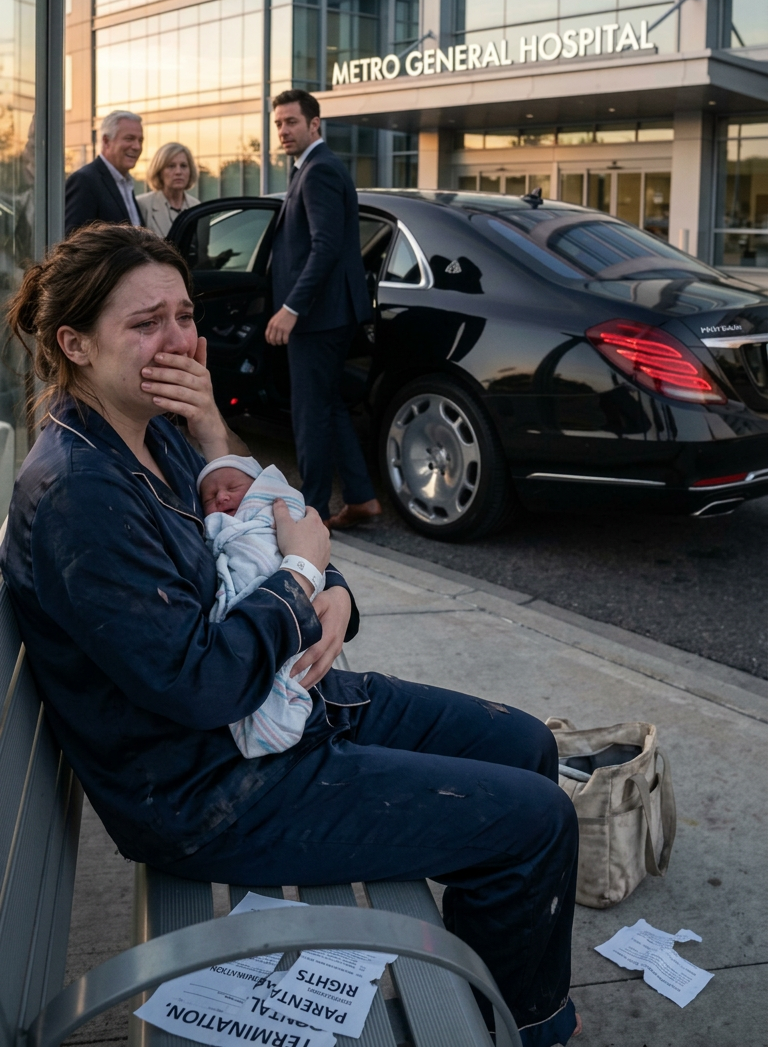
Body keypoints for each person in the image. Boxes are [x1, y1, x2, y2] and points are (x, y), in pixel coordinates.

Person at [1, 223, 581, 1047]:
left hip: (281, 710)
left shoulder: (151, 426)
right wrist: (309, 579)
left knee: (525, 745)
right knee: (536, 822)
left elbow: (261, 527)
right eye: (144, 324)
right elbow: (203, 681)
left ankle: (491, 992)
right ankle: (529, 1026)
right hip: (212, 787)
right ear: (76, 343)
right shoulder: (80, 494)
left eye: (185, 314)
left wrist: (328, 589)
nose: (179, 340)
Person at [266, 89, 382, 531]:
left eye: (291, 122)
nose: (283, 131)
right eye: (278, 124)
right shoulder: (312, 169)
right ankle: (361, 499)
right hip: (329, 313)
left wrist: (292, 307)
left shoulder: (319, 170)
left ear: (315, 124)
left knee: (310, 415)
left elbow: (326, 246)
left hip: (318, 317)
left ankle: (309, 514)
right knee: (328, 408)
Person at [198, 452, 346, 759]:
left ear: (259, 491)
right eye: (210, 498)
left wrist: (337, 590)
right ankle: (273, 710)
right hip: (253, 638)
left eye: (233, 487)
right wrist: (303, 569)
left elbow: (308, 547)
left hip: (294, 621)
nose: (222, 497)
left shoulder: (274, 513)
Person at [65, 110, 144, 234]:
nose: (137, 146)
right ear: (106, 141)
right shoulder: (84, 181)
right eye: (130, 139)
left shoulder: (126, 183)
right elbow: (73, 241)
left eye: (140, 140)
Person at [136, 142, 200, 238]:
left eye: (183, 166)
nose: (178, 172)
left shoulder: (196, 206)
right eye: (171, 166)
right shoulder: (143, 205)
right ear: (159, 171)